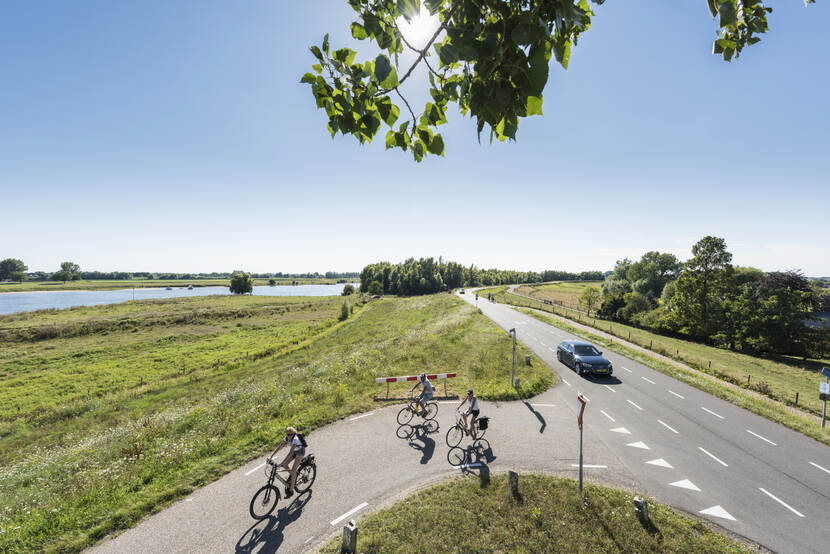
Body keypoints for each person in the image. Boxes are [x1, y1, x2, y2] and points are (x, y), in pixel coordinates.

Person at [268, 426, 305, 498]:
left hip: (300, 452)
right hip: (295, 452)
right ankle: (293, 476)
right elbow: (279, 447)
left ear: (294, 434)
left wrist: (281, 463)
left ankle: (291, 489)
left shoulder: (295, 439)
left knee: (293, 471)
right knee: (285, 465)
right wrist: (271, 456)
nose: (289, 436)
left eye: (291, 434)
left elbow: (290, 453)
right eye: (288, 434)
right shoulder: (286, 438)